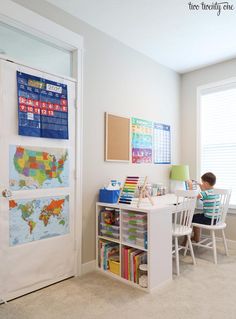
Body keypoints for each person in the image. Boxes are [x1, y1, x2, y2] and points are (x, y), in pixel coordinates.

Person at [188, 172, 219, 242]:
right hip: (215, 219)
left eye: (203, 183)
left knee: (188, 218)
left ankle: (186, 240)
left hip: (208, 219)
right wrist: (200, 185)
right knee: (195, 217)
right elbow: (206, 194)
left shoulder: (205, 193)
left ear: (206, 184)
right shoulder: (215, 191)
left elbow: (192, 196)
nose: (202, 184)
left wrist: (190, 185)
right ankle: (196, 237)